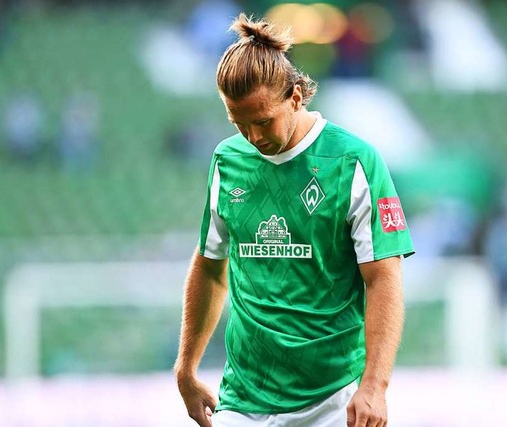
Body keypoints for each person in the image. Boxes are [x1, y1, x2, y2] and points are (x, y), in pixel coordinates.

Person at [174, 13, 414, 427]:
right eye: (239, 123)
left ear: (297, 96)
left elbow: (383, 276)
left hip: (333, 400)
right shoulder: (227, 161)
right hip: (243, 399)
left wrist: (374, 386)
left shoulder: (352, 161)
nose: (253, 136)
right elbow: (210, 267)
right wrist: (186, 368)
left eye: (262, 120)